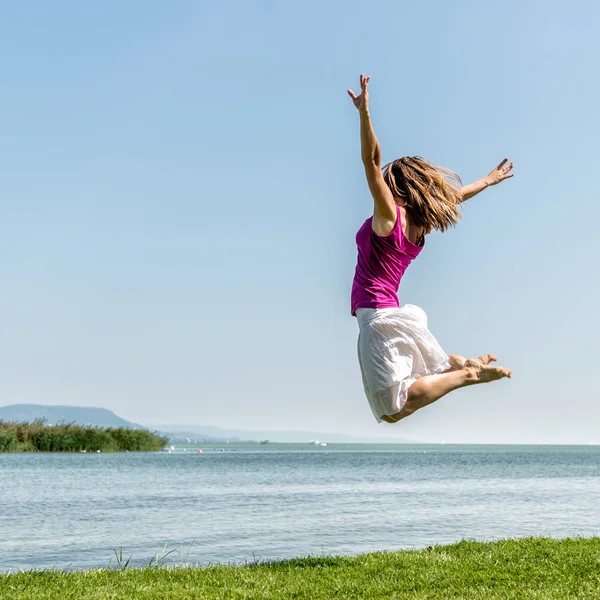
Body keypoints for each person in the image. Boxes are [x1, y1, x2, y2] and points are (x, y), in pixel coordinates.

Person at [347, 74, 513, 424]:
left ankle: (463, 374)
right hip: (388, 315)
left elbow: (370, 162)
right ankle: (460, 364)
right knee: (401, 397)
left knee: (392, 409)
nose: (383, 191)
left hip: (377, 318)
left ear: (400, 191)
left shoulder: (390, 217)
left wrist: (365, 114)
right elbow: (454, 197)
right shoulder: (420, 225)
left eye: (389, 186)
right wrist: (488, 180)